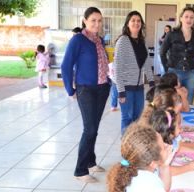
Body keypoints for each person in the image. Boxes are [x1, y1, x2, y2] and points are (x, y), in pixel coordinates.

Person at [61, 7, 110, 183]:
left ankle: (90, 162)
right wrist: (70, 89)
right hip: (86, 90)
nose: (97, 24)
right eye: (93, 20)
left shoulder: (99, 40)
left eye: (99, 20)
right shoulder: (78, 40)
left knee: (94, 128)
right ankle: (80, 170)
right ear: (85, 21)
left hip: (102, 88)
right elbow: (66, 66)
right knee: (89, 129)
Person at [113, 11, 155, 134]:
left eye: (138, 21)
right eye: (133, 20)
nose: (136, 23)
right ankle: (125, 150)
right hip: (126, 88)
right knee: (127, 119)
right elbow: (118, 67)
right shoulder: (123, 41)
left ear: (141, 24)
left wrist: (151, 81)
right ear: (127, 24)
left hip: (139, 88)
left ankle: (135, 147)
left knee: (138, 119)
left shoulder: (142, 41)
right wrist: (120, 91)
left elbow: (146, 63)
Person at [107, 124, 172, 192]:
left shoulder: (135, 171)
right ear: (153, 163)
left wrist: (164, 166)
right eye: (164, 146)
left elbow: (164, 188)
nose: (167, 145)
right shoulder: (150, 184)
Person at [160, 7, 194, 104]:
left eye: (192, 17)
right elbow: (162, 52)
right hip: (174, 72)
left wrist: (190, 63)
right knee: (173, 102)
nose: (189, 19)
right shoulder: (172, 34)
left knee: (189, 103)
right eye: (186, 16)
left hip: (191, 74)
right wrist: (167, 69)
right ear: (181, 18)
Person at [149, 109, 194, 176]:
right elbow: (164, 171)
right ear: (170, 132)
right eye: (178, 125)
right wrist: (189, 167)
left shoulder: (170, 141)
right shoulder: (159, 149)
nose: (180, 128)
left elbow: (178, 148)